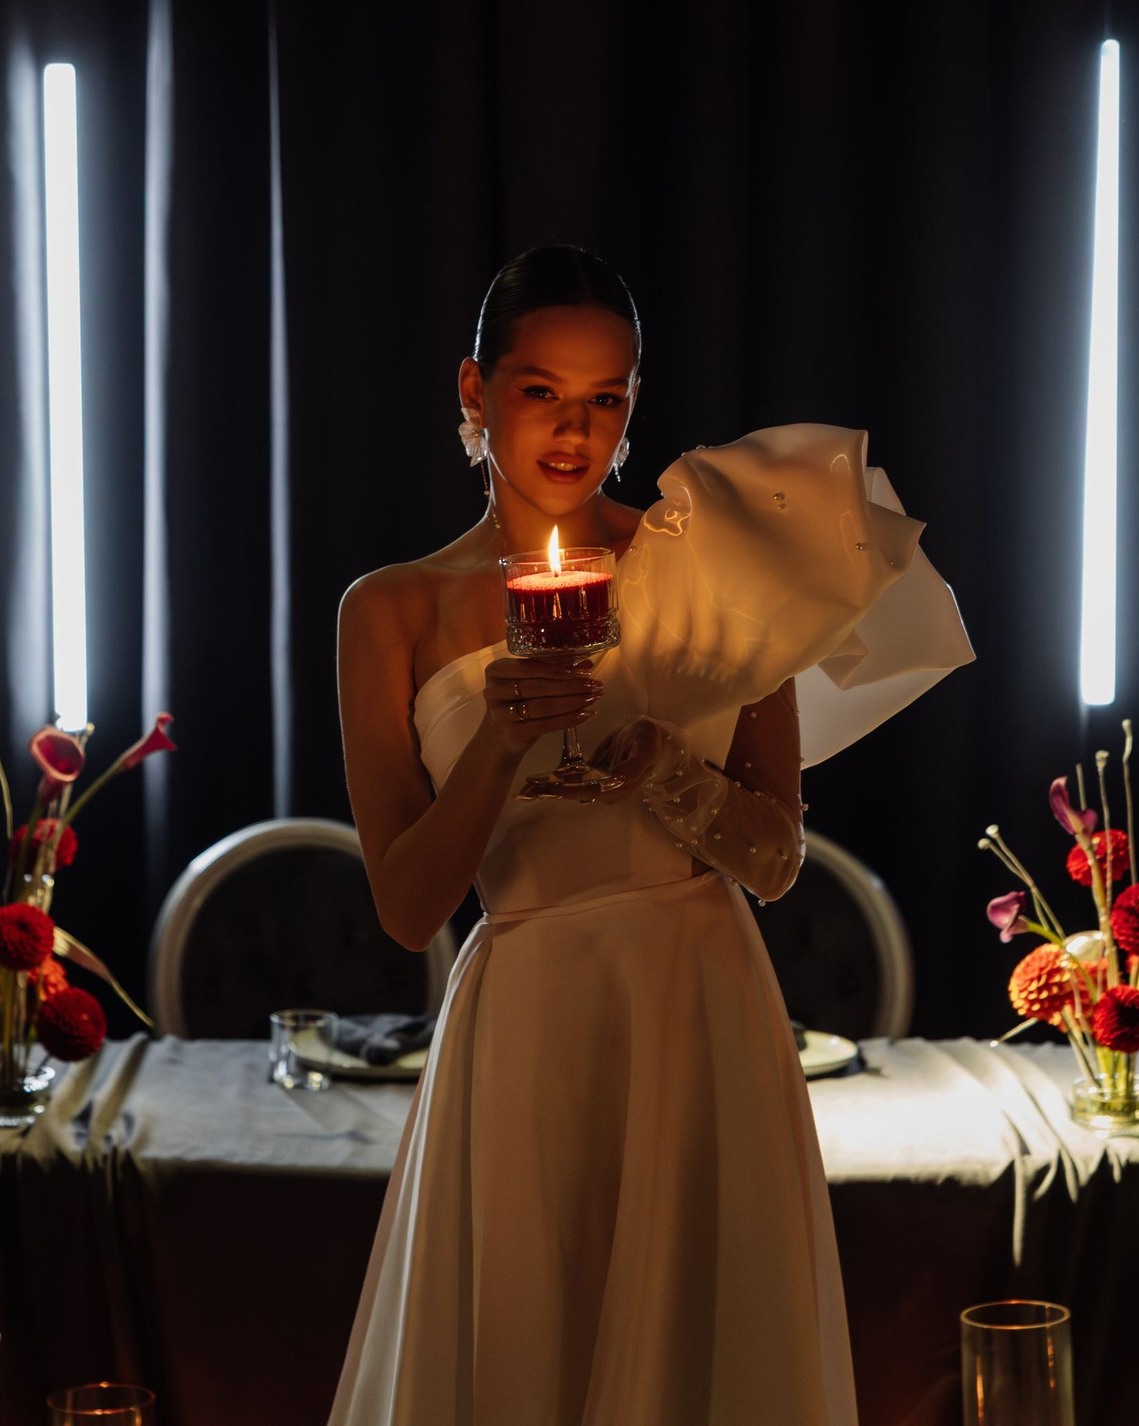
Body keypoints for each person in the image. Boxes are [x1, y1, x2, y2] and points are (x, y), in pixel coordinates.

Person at [329, 245, 974, 1425]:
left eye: (607, 397)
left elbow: (775, 861)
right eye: (541, 391)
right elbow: (409, 909)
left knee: (703, 1350)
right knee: (532, 1338)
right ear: (475, 389)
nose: (575, 430)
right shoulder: (392, 610)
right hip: (529, 1012)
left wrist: (666, 772)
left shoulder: (717, 568)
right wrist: (501, 743)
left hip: (699, 998)